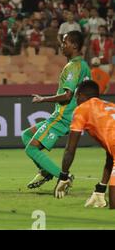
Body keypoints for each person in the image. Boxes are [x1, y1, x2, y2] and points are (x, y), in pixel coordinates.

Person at [21, 30, 91, 189]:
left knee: (31, 148)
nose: (62, 46)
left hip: (63, 115)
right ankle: (45, 171)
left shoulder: (73, 66)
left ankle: (64, 177)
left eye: (65, 42)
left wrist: (43, 99)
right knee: (26, 135)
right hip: (74, 115)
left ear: (74, 45)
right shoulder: (84, 65)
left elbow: (67, 95)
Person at [54, 80, 115, 209]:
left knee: (114, 205)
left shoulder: (82, 109)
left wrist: (64, 176)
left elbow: (70, 149)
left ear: (82, 95)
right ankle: (99, 193)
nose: (75, 99)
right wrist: (101, 188)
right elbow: (111, 155)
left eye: (76, 96)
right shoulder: (110, 106)